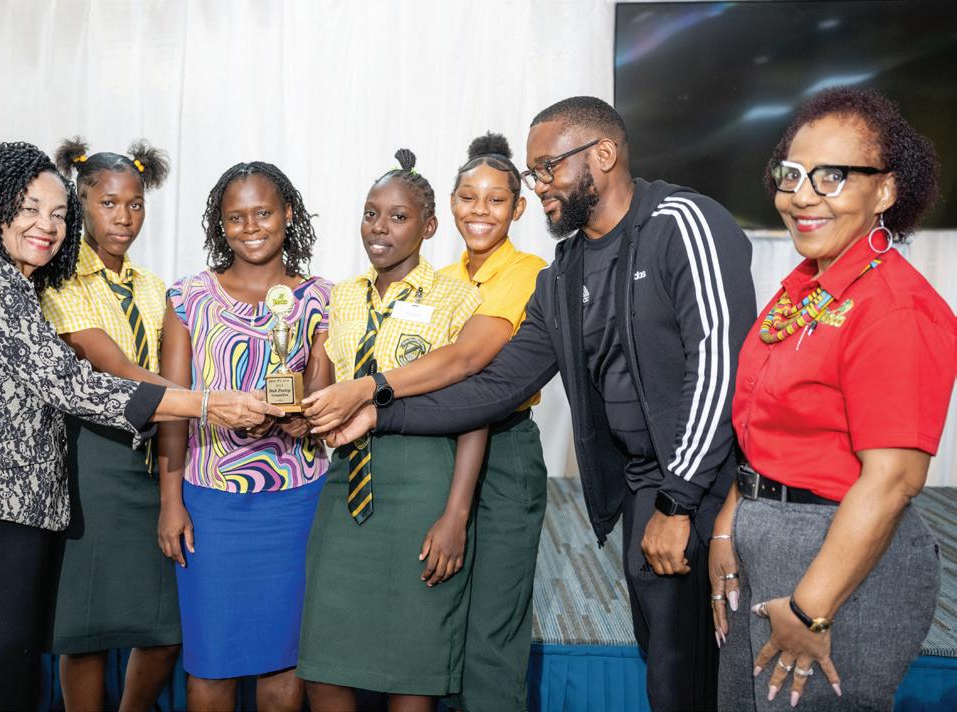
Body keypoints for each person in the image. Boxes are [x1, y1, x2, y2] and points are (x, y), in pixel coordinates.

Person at [327, 98, 757, 712]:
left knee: (717, 673)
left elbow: (720, 366)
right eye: (535, 173)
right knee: (667, 666)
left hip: (704, 489)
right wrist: (381, 407)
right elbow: (498, 386)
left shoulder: (682, 222)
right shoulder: (564, 271)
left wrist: (679, 500)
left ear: (602, 154)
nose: (540, 185)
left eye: (547, 168)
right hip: (646, 488)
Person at [0, 142, 282, 712]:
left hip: (6, 512)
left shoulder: (17, 284)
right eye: (29, 209)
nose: (46, 225)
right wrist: (206, 405)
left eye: (57, 214)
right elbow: (75, 386)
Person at [709, 87, 956, 711]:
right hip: (764, 537)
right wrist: (727, 530)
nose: (802, 196)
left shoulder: (895, 308)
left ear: (886, 190)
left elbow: (894, 480)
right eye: (792, 174)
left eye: (832, 177)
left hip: (837, 559)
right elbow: (762, 430)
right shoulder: (806, 290)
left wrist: (810, 608)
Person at [303, 132, 547, 712]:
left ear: (518, 208)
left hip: (477, 449)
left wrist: (369, 389)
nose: (479, 210)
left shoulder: (512, 276)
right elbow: (324, 379)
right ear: (452, 208)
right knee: (337, 651)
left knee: (478, 635)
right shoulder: (379, 290)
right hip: (365, 461)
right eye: (468, 196)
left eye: (495, 199)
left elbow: (469, 374)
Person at [156, 161, 331, 712]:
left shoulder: (322, 298)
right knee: (212, 663)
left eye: (263, 213)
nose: (250, 227)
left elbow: (324, 391)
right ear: (221, 224)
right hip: (211, 502)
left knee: (285, 661)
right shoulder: (189, 297)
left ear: (289, 214)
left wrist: (305, 418)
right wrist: (170, 502)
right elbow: (171, 407)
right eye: (236, 217)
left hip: (296, 499)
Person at [41, 137, 180, 711]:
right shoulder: (61, 281)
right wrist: (209, 402)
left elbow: (173, 365)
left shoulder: (153, 286)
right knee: (87, 627)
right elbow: (117, 369)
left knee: (167, 627)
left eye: (135, 204)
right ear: (80, 204)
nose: (124, 217)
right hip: (92, 458)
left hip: (156, 458)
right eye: (109, 203)